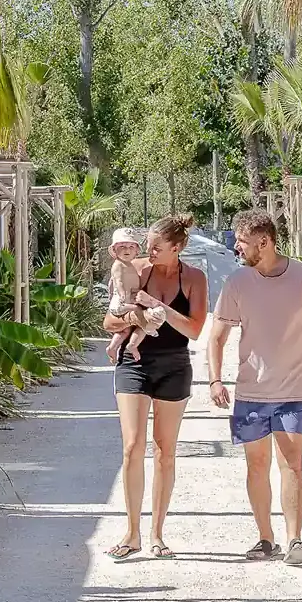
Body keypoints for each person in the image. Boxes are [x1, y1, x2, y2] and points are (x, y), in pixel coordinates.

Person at [206, 209, 302, 564]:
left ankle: (295, 539)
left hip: (295, 392)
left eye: (242, 242)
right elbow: (217, 336)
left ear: (264, 242)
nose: (237, 248)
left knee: (292, 463)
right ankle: (265, 539)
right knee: (256, 465)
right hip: (251, 393)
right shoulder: (237, 282)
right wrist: (216, 379)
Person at [105, 213, 207, 560]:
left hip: (175, 365)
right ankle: (131, 533)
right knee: (132, 446)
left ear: (177, 248)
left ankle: (157, 534)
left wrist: (157, 306)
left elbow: (194, 330)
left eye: (157, 247)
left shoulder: (193, 278)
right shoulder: (135, 269)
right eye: (147, 244)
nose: (148, 251)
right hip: (134, 363)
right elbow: (109, 320)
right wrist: (137, 317)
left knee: (165, 452)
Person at [103, 226, 153, 364]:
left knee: (126, 330)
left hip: (128, 301)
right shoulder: (118, 265)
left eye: (131, 246)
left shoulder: (130, 265)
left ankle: (119, 346)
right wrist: (124, 296)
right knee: (140, 315)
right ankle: (147, 329)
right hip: (120, 302)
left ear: (136, 251)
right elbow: (118, 281)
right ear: (114, 250)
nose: (127, 250)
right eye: (122, 246)